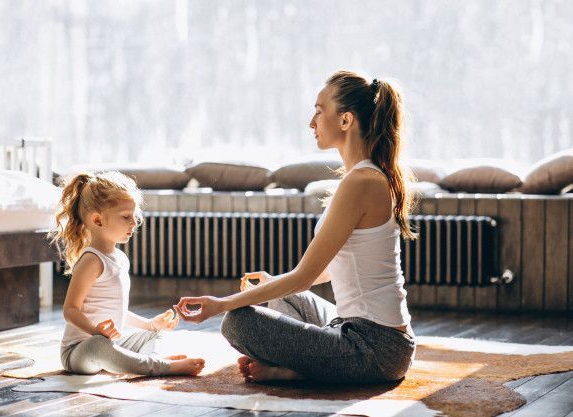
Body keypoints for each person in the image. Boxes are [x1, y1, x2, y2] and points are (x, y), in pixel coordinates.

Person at [175, 70, 417, 384]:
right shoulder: (361, 177)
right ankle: (310, 364)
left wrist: (220, 305)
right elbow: (330, 268)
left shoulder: (362, 181)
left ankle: (300, 370)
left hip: (376, 349)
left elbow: (302, 277)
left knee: (237, 322)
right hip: (354, 329)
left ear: (345, 120)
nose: (311, 122)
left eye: (319, 111)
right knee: (283, 297)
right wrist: (272, 284)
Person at [50, 171, 205, 377]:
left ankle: (144, 361)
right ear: (97, 220)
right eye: (126, 217)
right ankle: (160, 366)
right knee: (99, 346)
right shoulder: (91, 261)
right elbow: (70, 310)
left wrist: (150, 324)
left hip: (110, 342)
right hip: (80, 351)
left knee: (154, 335)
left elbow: (118, 311)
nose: (134, 222)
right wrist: (96, 331)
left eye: (134, 216)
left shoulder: (120, 259)